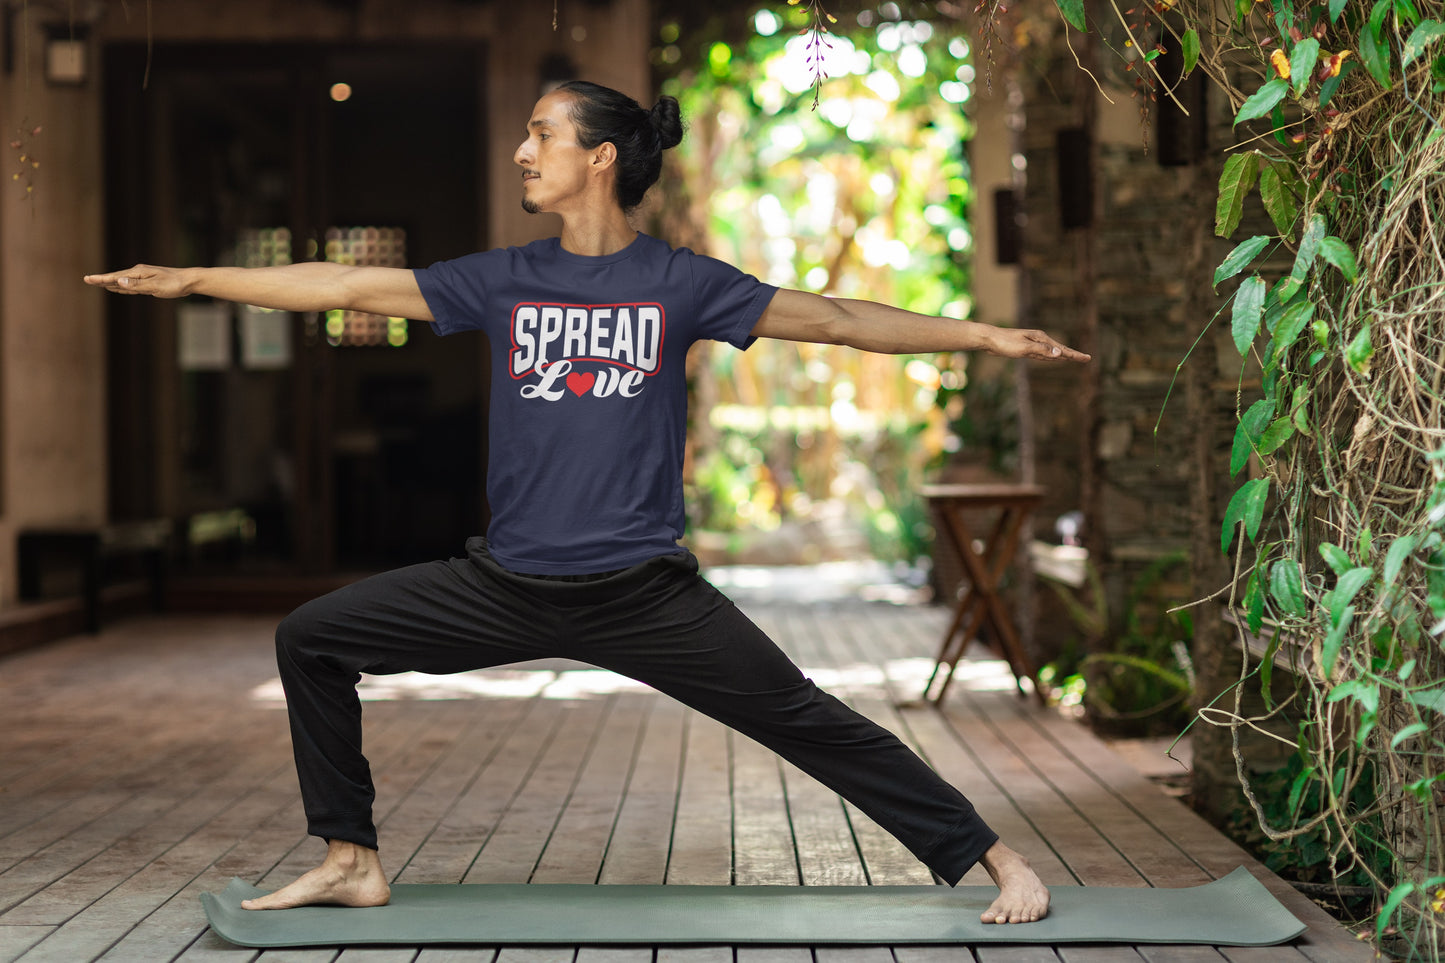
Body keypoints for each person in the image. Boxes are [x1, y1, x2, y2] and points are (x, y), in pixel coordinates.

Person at [85, 80, 1088, 925]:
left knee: (809, 721)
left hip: (644, 593)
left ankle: (998, 861)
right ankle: (350, 858)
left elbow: (830, 318)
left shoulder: (679, 283)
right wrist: (193, 279)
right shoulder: (502, 280)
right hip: (508, 582)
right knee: (312, 637)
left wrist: (986, 340)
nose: (522, 152)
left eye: (540, 135)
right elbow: (348, 283)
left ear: (600, 158)